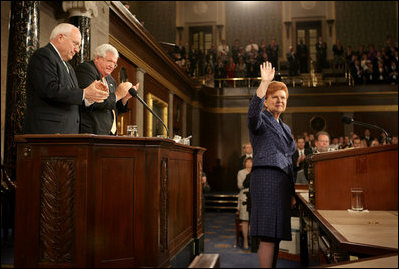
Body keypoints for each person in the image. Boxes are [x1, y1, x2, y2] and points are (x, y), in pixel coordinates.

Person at [247, 61, 296, 268]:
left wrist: (292, 191)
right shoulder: (261, 120)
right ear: (266, 101)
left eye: (283, 98)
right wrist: (264, 83)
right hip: (266, 179)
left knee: (275, 235)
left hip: (282, 184)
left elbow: (290, 158)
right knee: (268, 235)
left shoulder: (285, 128)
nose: (279, 101)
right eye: (274, 97)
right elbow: (252, 113)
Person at [24, 23, 109, 134]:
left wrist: (90, 97)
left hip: (67, 132)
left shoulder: (69, 66)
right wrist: (84, 93)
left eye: (79, 46)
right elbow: (49, 89)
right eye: (75, 44)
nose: (77, 50)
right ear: (60, 37)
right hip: (48, 131)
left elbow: (71, 99)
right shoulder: (43, 55)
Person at [75, 44, 138, 135]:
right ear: (97, 58)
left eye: (114, 63)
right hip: (92, 132)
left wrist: (124, 98)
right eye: (109, 61)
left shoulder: (110, 79)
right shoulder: (86, 70)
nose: (112, 66)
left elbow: (112, 107)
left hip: (109, 134)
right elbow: (91, 102)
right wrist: (117, 95)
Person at [237, 157, 253, 250]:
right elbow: (240, 185)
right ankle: (245, 241)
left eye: (251, 162)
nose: (249, 163)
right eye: (247, 162)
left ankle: (252, 240)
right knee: (245, 220)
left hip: (254, 197)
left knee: (253, 221)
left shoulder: (256, 171)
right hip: (244, 197)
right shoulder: (241, 172)